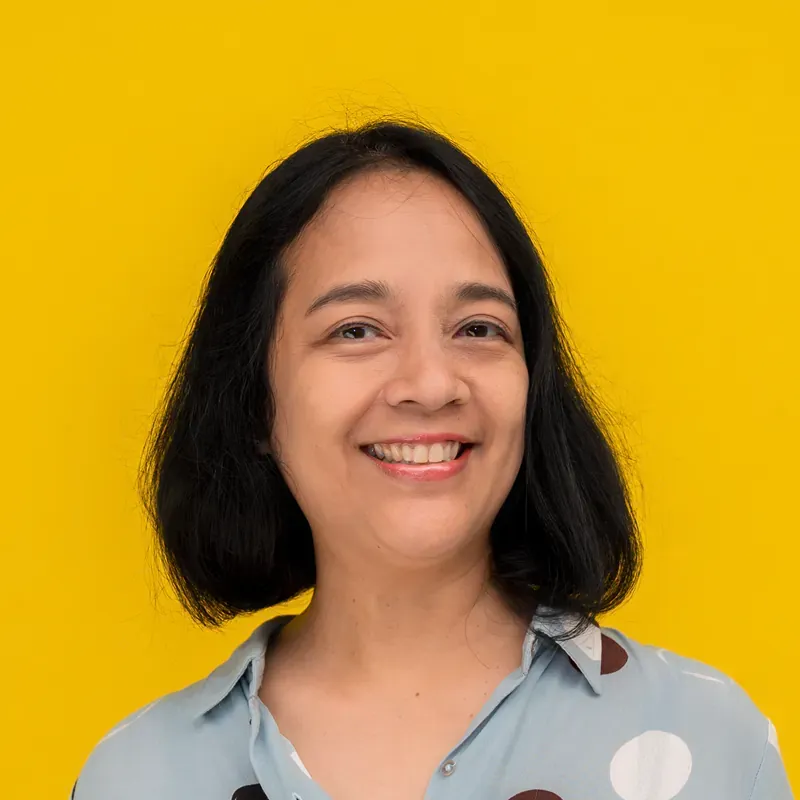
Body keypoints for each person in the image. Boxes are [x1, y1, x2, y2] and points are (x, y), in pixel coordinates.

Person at [71, 119, 793, 800]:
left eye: (478, 328)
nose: (431, 383)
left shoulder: (711, 748)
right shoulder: (138, 777)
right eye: (357, 330)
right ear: (255, 402)